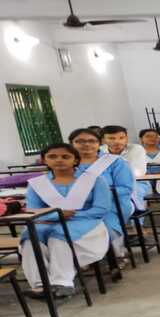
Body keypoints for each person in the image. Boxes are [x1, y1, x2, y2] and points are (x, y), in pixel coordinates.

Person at [20, 142, 111, 297]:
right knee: (30, 236)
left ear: (75, 160)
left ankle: (62, 283)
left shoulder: (95, 180)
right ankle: (40, 284)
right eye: (52, 157)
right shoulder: (37, 185)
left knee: (60, 234)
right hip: (48, 221)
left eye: (65, 156)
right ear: (44, 160)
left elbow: (101, 209)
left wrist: (72, 215)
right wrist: (57, 216)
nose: (59, 160)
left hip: (85, 222)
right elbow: (34, 211)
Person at [72, 128, 135, 259]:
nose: (86, 144)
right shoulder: (66, 164)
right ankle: (83, 258)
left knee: (105, 225)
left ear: (100, 143)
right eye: (80, 141)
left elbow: (125, 188)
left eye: (91, 141)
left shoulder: (115, 162)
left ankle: (117, 255)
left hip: (113, 203)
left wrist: (96, 195)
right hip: (77, 205)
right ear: (71, 143)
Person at [101, 125, 150, 210]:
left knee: (131, 194)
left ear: (126, 138)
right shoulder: (99, 151)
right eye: (111, 138)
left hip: (136, 183)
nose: (117, 141)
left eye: (121, 138)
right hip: (108, 185)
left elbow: (138, 172)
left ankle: (136, 221)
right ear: (103, 140)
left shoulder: (136, 149)